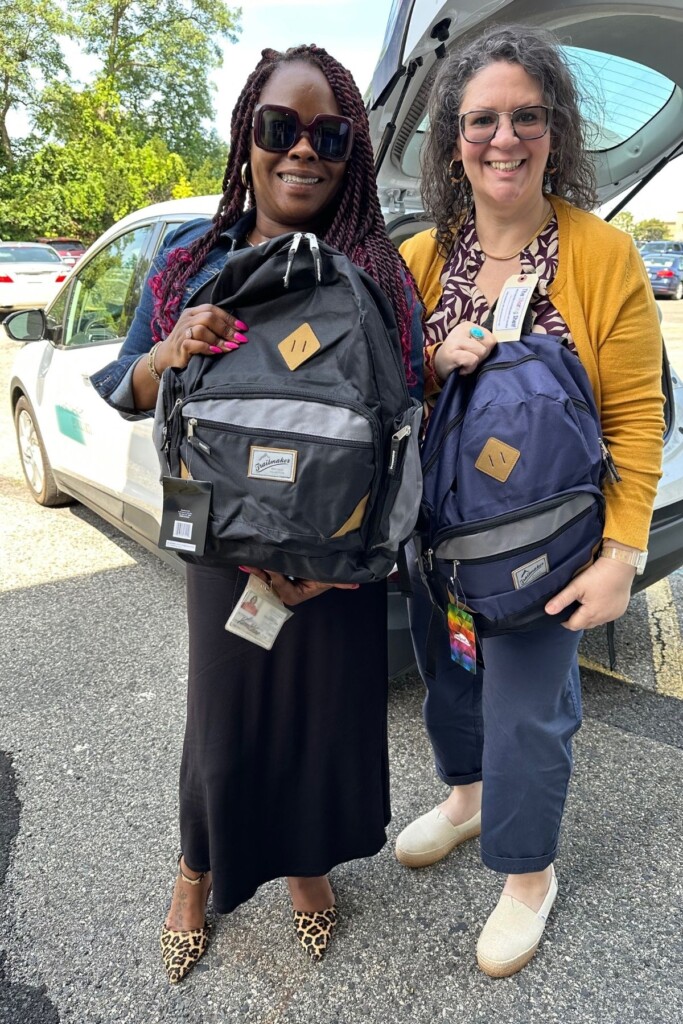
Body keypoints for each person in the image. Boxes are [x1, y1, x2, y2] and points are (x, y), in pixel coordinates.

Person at [91, 44, 423, 983]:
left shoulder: (375, 271)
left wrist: (349, 562)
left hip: (339, 558)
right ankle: (196, 873)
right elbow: (125, 387)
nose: (302, 152)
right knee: (224, 721)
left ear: (350, 150)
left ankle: (306, 869)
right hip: (223, 544)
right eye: (281, 129)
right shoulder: (189, 257)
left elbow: (403, 425)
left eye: (328, 135)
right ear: (249, 135)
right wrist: (166, 349)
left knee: (322, 718)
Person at [395, 25, 664, 978]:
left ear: (554, 131)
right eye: (481, 120)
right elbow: (390, 389)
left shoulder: (600, 255)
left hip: (553, 547)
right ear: (452, 137)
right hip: (440, 537)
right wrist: (430, 358)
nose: (502, 138)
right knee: (452, 678)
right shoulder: (423, 258)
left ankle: (526, 875)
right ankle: (465, 800)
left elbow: (636, 409)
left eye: (525, 117)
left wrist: (621, 553)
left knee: (526, 710)